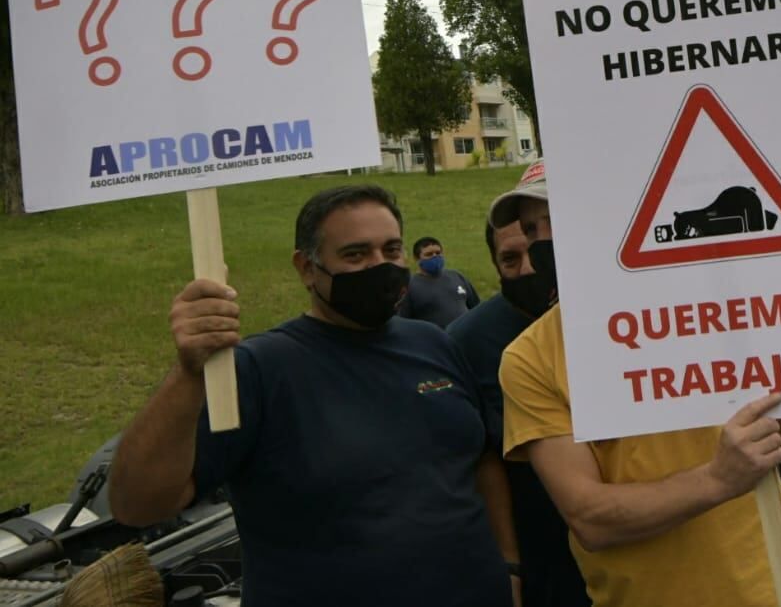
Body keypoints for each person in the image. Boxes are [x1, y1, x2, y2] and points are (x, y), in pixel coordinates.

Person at [107, 185, 516, 607]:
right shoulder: (258, 370)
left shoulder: (435, 344)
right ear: (306, 268)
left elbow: (481, 460)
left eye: (391, 251)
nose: (380, 266)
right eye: (355, 255)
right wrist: (188, 371)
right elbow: (137, 504)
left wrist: (510, 566)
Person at [496, 161, 781, 607]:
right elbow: (590, 518)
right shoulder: (530, 360)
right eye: (531, 228)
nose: (543, 241)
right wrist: (717, 479)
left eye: (556, 219)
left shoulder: (716, 315)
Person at [448, 161, 589, 607]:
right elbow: (481, 460)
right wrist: (509, 562)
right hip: (545, 555)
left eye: (542, 237)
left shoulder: (627, 319)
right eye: (512, 256)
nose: (530, 266)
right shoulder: (467, 342)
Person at [398, 235, 480, 328]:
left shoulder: (457, 276)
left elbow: (476, 308)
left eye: (438, 253)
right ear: (417, 259)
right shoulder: (409, 286)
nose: (435, 256)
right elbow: (403, 322)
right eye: (429, 254)